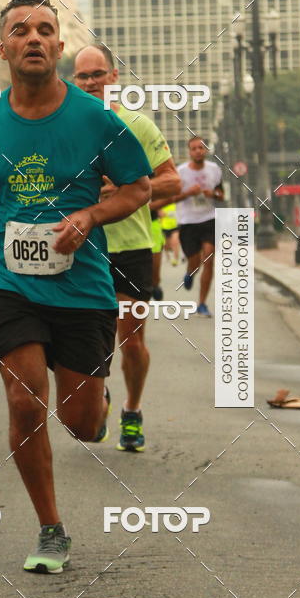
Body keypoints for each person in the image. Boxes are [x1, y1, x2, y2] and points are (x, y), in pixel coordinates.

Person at [0, 0, 152, 574]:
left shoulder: (96, 120)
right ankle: (50, 529)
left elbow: (138, 188)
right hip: (10, 281)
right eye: (21, 30)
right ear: (4, 49)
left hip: (81, 286)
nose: (35, 38)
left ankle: (98, 402)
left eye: (46, 29)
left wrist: (91, 216)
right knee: (24, 403)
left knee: (84, 424)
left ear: (59, 47)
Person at [73, 44, 179, 451]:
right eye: (82, 77)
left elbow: (172, 181)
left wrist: (126, 189)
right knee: (85, 340)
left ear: (114, 77)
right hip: (83, 248)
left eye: (97, 74)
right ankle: (97, 396)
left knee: (131, 342)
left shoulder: (138, 126)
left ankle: (132, 410)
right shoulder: (67, 127)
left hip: (132, 246)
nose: (91, 83)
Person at [173, 136, 224, 317]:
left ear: (205, 150)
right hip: (188, 222)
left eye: (201, 148)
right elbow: (172, 198)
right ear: (189, 152)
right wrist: (188, 193)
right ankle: (190, 273)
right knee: (195, 263)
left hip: (209, 219)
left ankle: (202, 303)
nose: (198, 151)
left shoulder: (214, 170)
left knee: (208, 258)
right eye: (194, 148)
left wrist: (214, 194)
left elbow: (221, 194)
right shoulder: (180, 172)